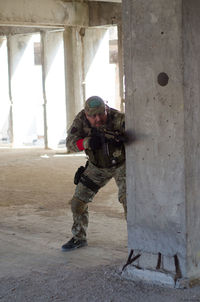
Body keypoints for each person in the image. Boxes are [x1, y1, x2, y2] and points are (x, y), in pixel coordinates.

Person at [62, 96, 127, 251]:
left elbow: (142, 133)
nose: (98, 119)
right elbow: (70, 144)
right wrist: (87, 142)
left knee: (130, 201)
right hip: (96, 167)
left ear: (106, 109)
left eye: (101, 114)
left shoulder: (118, 118)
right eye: (93, 116)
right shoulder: (80, 121)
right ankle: (79, 238)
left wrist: (128, 138)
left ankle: (138, 241)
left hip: (122, 165)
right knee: (78, 202)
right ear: (86, 114)